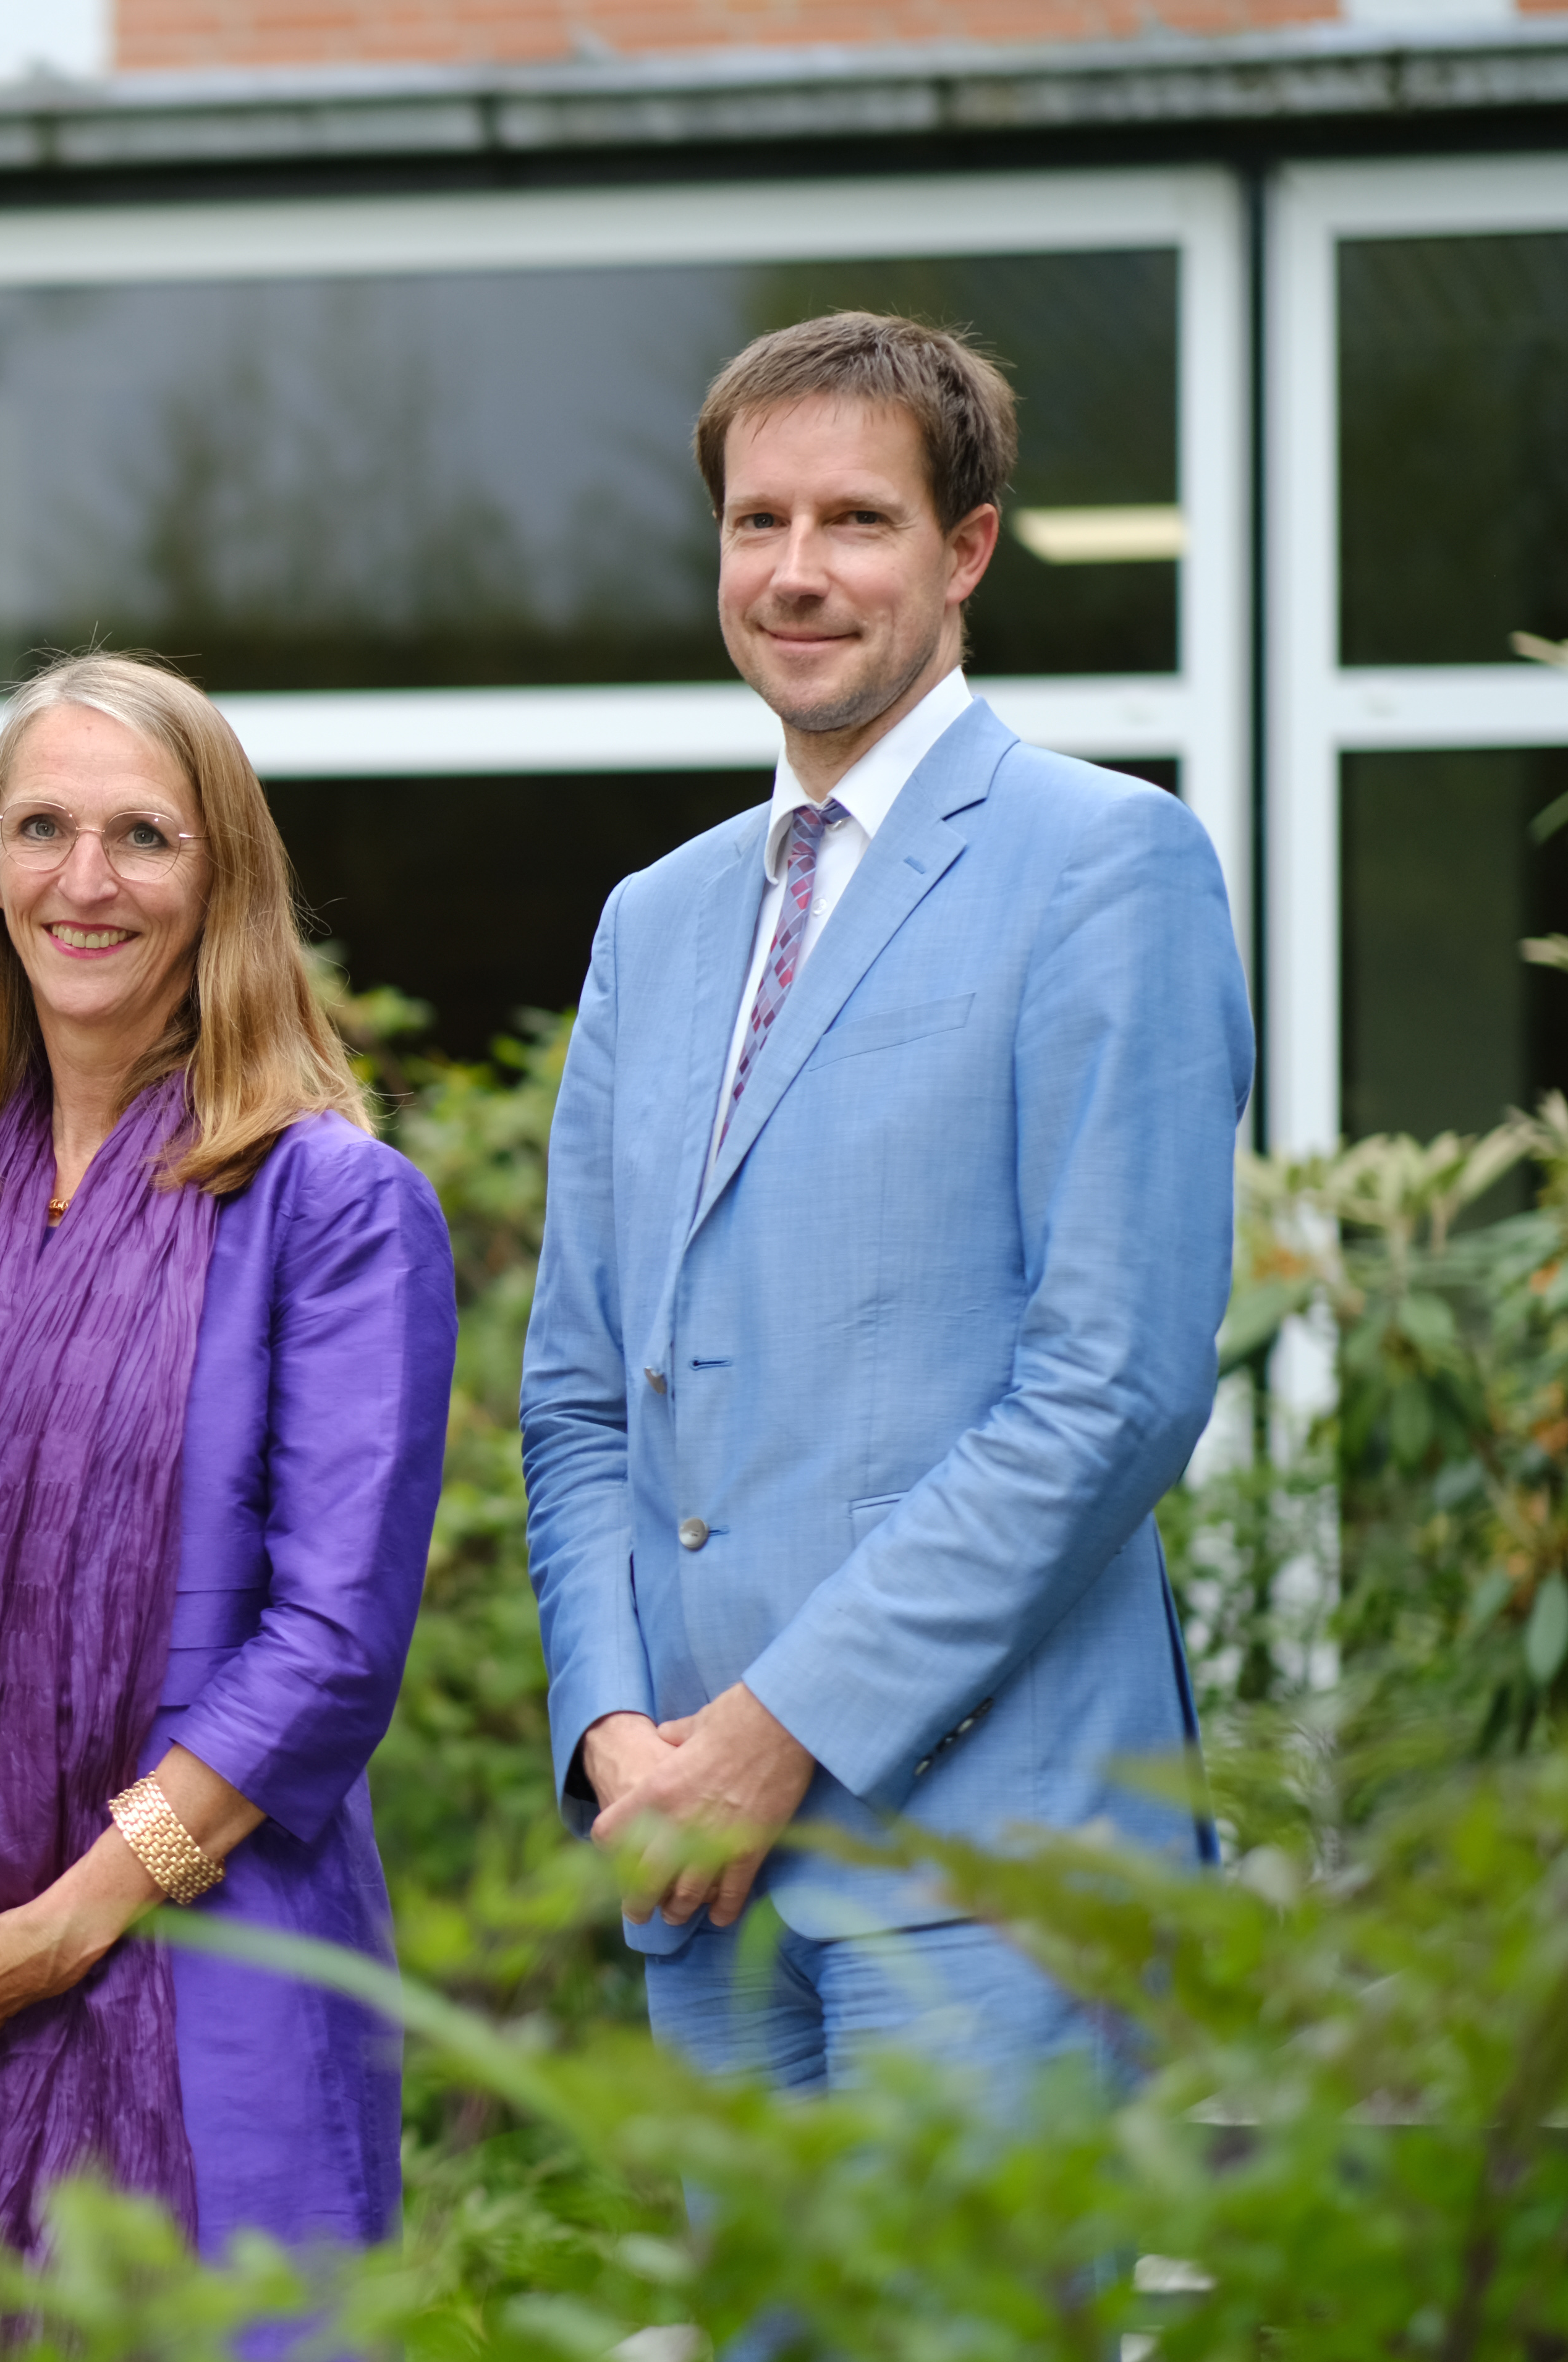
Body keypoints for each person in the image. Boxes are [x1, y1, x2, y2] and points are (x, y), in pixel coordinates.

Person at [520, 313, 1252, 2094]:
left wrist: (778, 1730)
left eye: (855, 520)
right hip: (699, 1873)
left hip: (995, 1872)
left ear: (965, 548)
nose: (796, 572)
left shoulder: (1104, 864)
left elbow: (1110, 1391)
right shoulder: (653, 923)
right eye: (755, 523)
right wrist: (616, 1732)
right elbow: (582, 1399)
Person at [0, 652, 457, 2259]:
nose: (85, 881)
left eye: (142, 837)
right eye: (41, 828)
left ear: (221, 880)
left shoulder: (330, 1205)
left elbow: (332, 1648)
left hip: (222, 1967)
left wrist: (77, 1917)